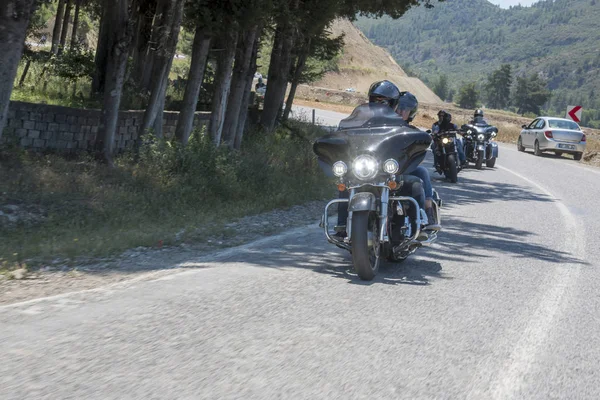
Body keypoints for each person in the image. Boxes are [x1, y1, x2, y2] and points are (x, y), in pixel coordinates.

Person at [335, 82, 440, 236]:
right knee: (346, 182)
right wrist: (340, 137)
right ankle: (342, 225)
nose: (380, 104)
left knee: (417, 180)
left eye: (384, 101)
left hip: (392, 168)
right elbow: (347, 134)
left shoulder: (399, 123)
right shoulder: (361, 120)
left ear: (393, 103)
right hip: (368, 167)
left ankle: (423, 222)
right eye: (376, 100)